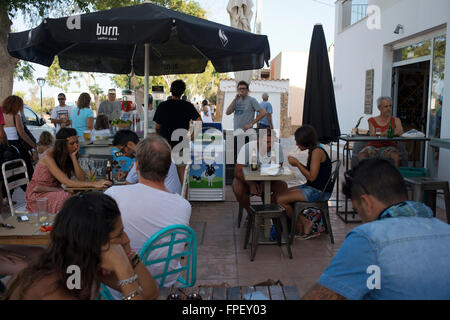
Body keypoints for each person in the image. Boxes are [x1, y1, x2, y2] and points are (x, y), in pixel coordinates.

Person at [302, 159, 450, 300]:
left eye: (357, 210)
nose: (361, 220)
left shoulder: (369, 239)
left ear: (366, 202)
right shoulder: (445, 229)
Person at [3, 192, 159, 300]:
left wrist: (129, 257)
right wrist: (124, 270)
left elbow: (150, 293)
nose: (127, 239)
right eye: (119, 235)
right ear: (93, 243)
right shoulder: (52, 288)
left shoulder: (78, 266)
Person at [105, 135, 191, 291]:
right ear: (168, 169)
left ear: (136, 166)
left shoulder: (113, 195)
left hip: (124, 286)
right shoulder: (183, 206)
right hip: (165, 283)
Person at [25, 128, 111, 213]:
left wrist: (73, 157)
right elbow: (67, 182)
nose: (76, 146)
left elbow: (82, 178)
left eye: (77, 142)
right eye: (72, 143)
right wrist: (95, 184)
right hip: (38, 194)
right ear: (62, 144)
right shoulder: (48, 156)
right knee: (68, 198)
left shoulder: (65, 154)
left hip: (53, 190)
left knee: (79, 196)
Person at [276, 125, 332, 240]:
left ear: (305, 141)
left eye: (298, 142)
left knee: (280, 200)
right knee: (283, 193)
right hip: (314, 187)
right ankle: (297, 224)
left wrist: (297, 164)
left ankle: (304, 223)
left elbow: (311, 177)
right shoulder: (315, 148)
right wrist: (298, 164)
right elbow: (311, 173)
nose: (296, 144)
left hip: (318, 191)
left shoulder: (317, 152)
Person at [153, 79, 201, 183]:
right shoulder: (188, 105)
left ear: (170, 90)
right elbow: (199, 121)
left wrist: (158, 137)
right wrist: (193, 135)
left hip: (165, 145)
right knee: (182, 174)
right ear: (183, 92)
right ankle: (183, 197)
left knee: (163, 174)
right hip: (182, 143)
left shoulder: (163, 105)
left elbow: (157, 127)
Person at [233, 129, 287, 215]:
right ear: (258, 139)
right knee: (238, 188)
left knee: (282, 186)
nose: (270, 145)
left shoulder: (277, 147)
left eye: (272, 142)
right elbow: (238, 172)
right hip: (248, 180)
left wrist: (265, 183)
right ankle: (250, 214)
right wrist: (250, 184)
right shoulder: (247, 148)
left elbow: (278, 169)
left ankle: (266, 212)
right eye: (267, 142)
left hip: (268, 179)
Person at [112, 129, 181, 194]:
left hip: (165, 198)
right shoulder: (151, 150)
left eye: (122, 150)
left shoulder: (143, 155)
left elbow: (129, 183)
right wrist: (127, 173)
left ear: (130, 144)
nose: (123, 154)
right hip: (173, 195)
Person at [225, 81, 267, 163]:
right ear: (237, 90)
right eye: (240, 89)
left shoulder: (252, 100)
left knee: (247, 157)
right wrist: (234, 100)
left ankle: (247, 174)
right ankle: (238, 174)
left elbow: (263, 112)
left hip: (248, 134)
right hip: (237, 132)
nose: (242, 90)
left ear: (247, 90)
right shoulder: (236, 100)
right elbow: (227, 112)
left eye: (244, 89)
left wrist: (251, 123)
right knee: (236, 157)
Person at [358, 96, 404, 167]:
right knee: (362, 154)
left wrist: (384, 133)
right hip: (373, 146)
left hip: (389, 146)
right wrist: (388, 132)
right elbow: (373, 134)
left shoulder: (396, 120)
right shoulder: (372, 120)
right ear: (379, 108)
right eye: (386, 106)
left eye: (390, 106)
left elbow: (400, 132)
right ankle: (363, 176)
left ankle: (394, 177)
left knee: (395, 155)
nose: (389, 109)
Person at [1, 95, 37, 181]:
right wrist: (34, 145)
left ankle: (7, 193)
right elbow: (22, 134)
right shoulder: (16, 116)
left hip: (4, 146)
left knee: (8, 174)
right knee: (27, 171)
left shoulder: (2, 115)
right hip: (17, 147)